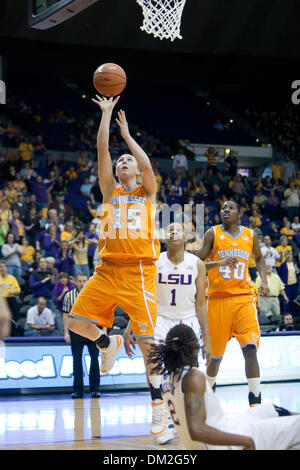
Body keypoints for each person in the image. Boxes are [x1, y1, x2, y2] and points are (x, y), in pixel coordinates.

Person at [67, 97, 160, 397]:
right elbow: (101, 150)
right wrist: (106, 114)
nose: (123, 162)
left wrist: (128, 137)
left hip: (138, 271)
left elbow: (146, 164)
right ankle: (109, 343)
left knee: (148, 344)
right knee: (76, 322)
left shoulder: (148, 192)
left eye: (127, 160)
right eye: (121, 161)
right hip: (107, 270)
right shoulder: (110, 191)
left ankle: (158, 406)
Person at [124, 222, 211, 444]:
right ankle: (159, 412)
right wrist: (130, 327)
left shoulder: (197, 264)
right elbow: (141, 298)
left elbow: (201, 303)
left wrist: (207, 339)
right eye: (169, 231)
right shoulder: (155, 261)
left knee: (189, 375)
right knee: (153, 362)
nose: (173, 233)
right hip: (159, 318)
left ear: (186, 238)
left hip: (188, 319)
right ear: (165, 239)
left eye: (178, 231)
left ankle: (191, 421)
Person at [151, 323, 300, 450]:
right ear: (195, 346)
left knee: (268, 409)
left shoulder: (167, 378)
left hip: (219, 432)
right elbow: (196, 430)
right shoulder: (193, 377)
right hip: (221, 444)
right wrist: (245, 441)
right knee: (296, 427)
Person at [196, 200, 269, 406]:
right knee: (215, 359)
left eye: (231, 208)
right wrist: (218, 263)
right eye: (223, 208)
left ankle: (255, 400)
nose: (226, 210)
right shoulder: (213, 233)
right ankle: (208, 398)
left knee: (250, 348)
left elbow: (260, 259)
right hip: (217, 301)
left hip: (243, 299)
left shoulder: (249, 235)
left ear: (239, 214)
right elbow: (198, 264)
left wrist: (262, 281)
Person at [63, 272, 101, 399]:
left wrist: (104, 330)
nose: (82, 283)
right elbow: (65, 315)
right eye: (79, 281)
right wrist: (66, 332)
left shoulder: (95, 295)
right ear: (76, 282)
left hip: (92, 331)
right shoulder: (69, 296)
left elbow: (103, 312)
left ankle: (95, 389)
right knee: (76, 361)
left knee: (95, 361)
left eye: (84, 281)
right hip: (76, 332)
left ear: (88, 281)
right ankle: (77, 390)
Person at [278, 251, 300, 315]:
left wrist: (298, 272)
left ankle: (295, 316)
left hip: (295, 285)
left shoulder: (296, 263)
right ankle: (286, 316)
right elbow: (279, 274)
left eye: (289, 254)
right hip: (287, 286)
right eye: (286, 255)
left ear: (292, 255)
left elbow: (298, 273)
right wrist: (282, 282)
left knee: (295, 302)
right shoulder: (283, 264)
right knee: (286, 301)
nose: (288, 256)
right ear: (285, 256)